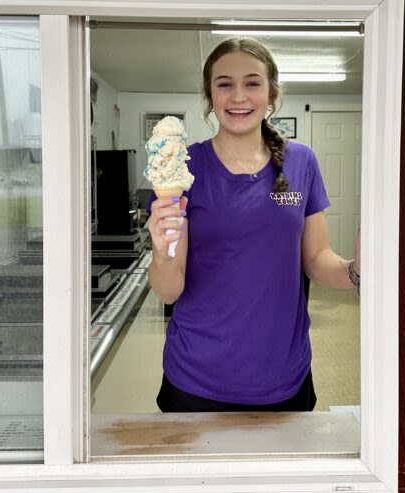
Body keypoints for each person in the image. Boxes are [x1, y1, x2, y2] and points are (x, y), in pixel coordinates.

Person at [147, 37, 361, 412]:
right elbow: (168, 291)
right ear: (209, 95)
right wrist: (162, 251)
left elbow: (316, 258)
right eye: (224, 84)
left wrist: (357, 271)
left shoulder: (302, 162)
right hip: (196, 379)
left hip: (283, 376)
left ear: (271, 92)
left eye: (252, 83)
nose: (238, 96)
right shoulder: (184, 169)